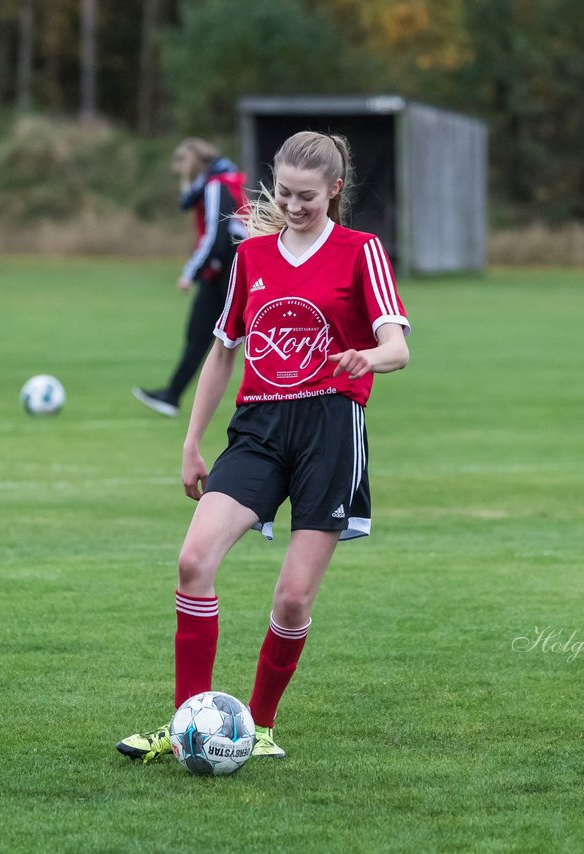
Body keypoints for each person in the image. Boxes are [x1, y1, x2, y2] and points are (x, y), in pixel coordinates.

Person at [117, 131, 410, 762]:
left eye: (308, 195)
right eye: (284, 193)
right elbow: (224, 349)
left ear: (335, 190)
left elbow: (399, 344)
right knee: (194, 561)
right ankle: (186, 723)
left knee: (293, 597)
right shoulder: (253, 257)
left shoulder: (363, 251)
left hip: (330, 430)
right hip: (257, 429)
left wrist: (369, 356)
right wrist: (192, 440)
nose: (295, 205)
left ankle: (263, 725)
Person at [133, 139, 248, 417]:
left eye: (180, 163)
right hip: (225, 266)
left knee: (234, 335)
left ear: (192, 163)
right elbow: (189, 204)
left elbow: (216, 236)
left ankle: (174, 395)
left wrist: (190, 273)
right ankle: (172, 395)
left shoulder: (214, 186)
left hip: (228, 266)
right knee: (203, 334)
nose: (177, 169)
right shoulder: (216, 181)